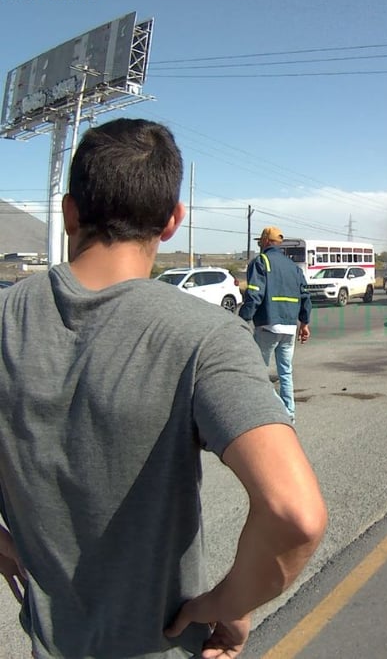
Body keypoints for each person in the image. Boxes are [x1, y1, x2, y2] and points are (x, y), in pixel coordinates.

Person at [0, 118, 327, 658]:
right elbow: (295, 514)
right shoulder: (203, 337)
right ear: (173, 221)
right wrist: (227, 604)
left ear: (68, 214)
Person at [239, 227, 311, 423]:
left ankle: (263, 412)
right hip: (289, 327)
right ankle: (289, 413)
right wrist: (304, 323)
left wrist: (242, 319)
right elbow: (305, 296)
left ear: (265, 241)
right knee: (285, 371)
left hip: (268, 325)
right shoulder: (293, 266)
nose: (258, 244)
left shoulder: (261, 262)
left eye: (259, 241)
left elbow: (254, 293)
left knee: (257, 371)